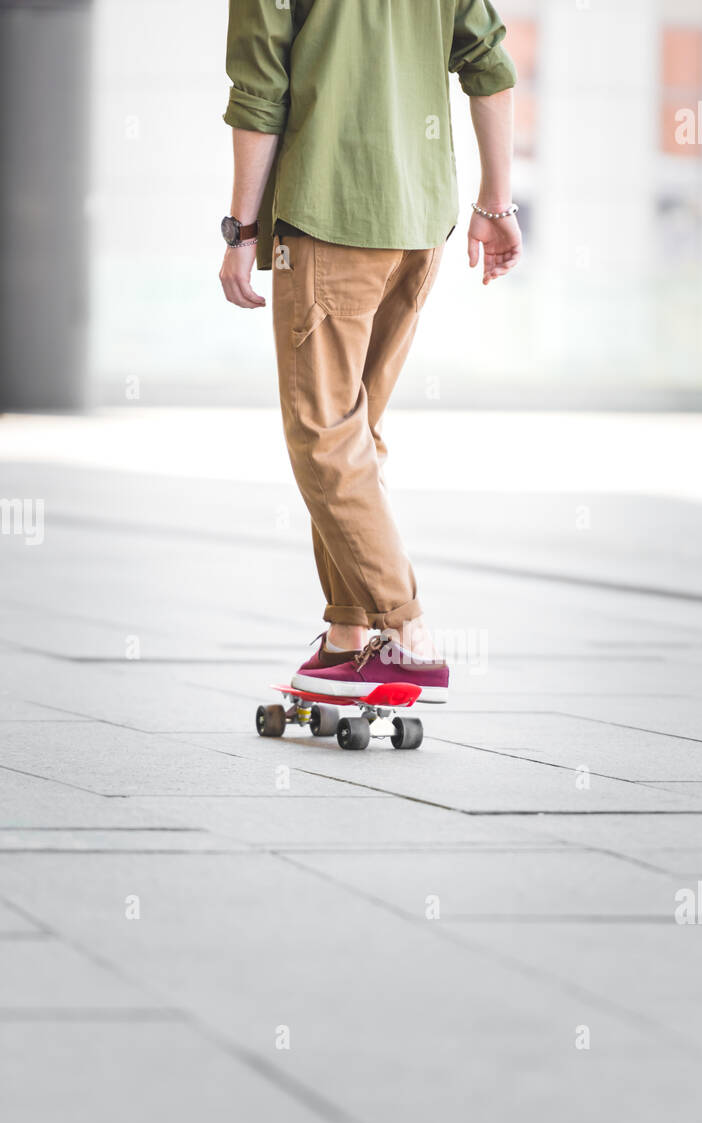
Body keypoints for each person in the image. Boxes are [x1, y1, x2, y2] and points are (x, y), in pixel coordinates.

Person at [220, 0, 521, 703]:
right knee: (354, 429)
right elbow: (490, 63)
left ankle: (404, 631)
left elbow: (259, 90)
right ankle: (349, 633)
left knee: (322, 433)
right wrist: (497, 203)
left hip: (331, 212)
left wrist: (239, 229)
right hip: (419, 221)